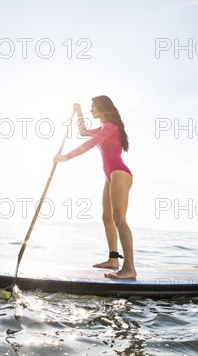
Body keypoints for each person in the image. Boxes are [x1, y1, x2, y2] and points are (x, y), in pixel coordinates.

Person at [53, 96, 136, 280]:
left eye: (93, 108)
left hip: (119, 173)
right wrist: (79, 112)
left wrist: (66, 157)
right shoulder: (104, 127)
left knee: (119, 219)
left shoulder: (110, 127)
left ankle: (129, 268)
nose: (91, 111)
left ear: (102, 108)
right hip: (110, 176)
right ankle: (113, 259)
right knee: (107, 217)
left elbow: (89, 144)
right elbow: (83, 132)